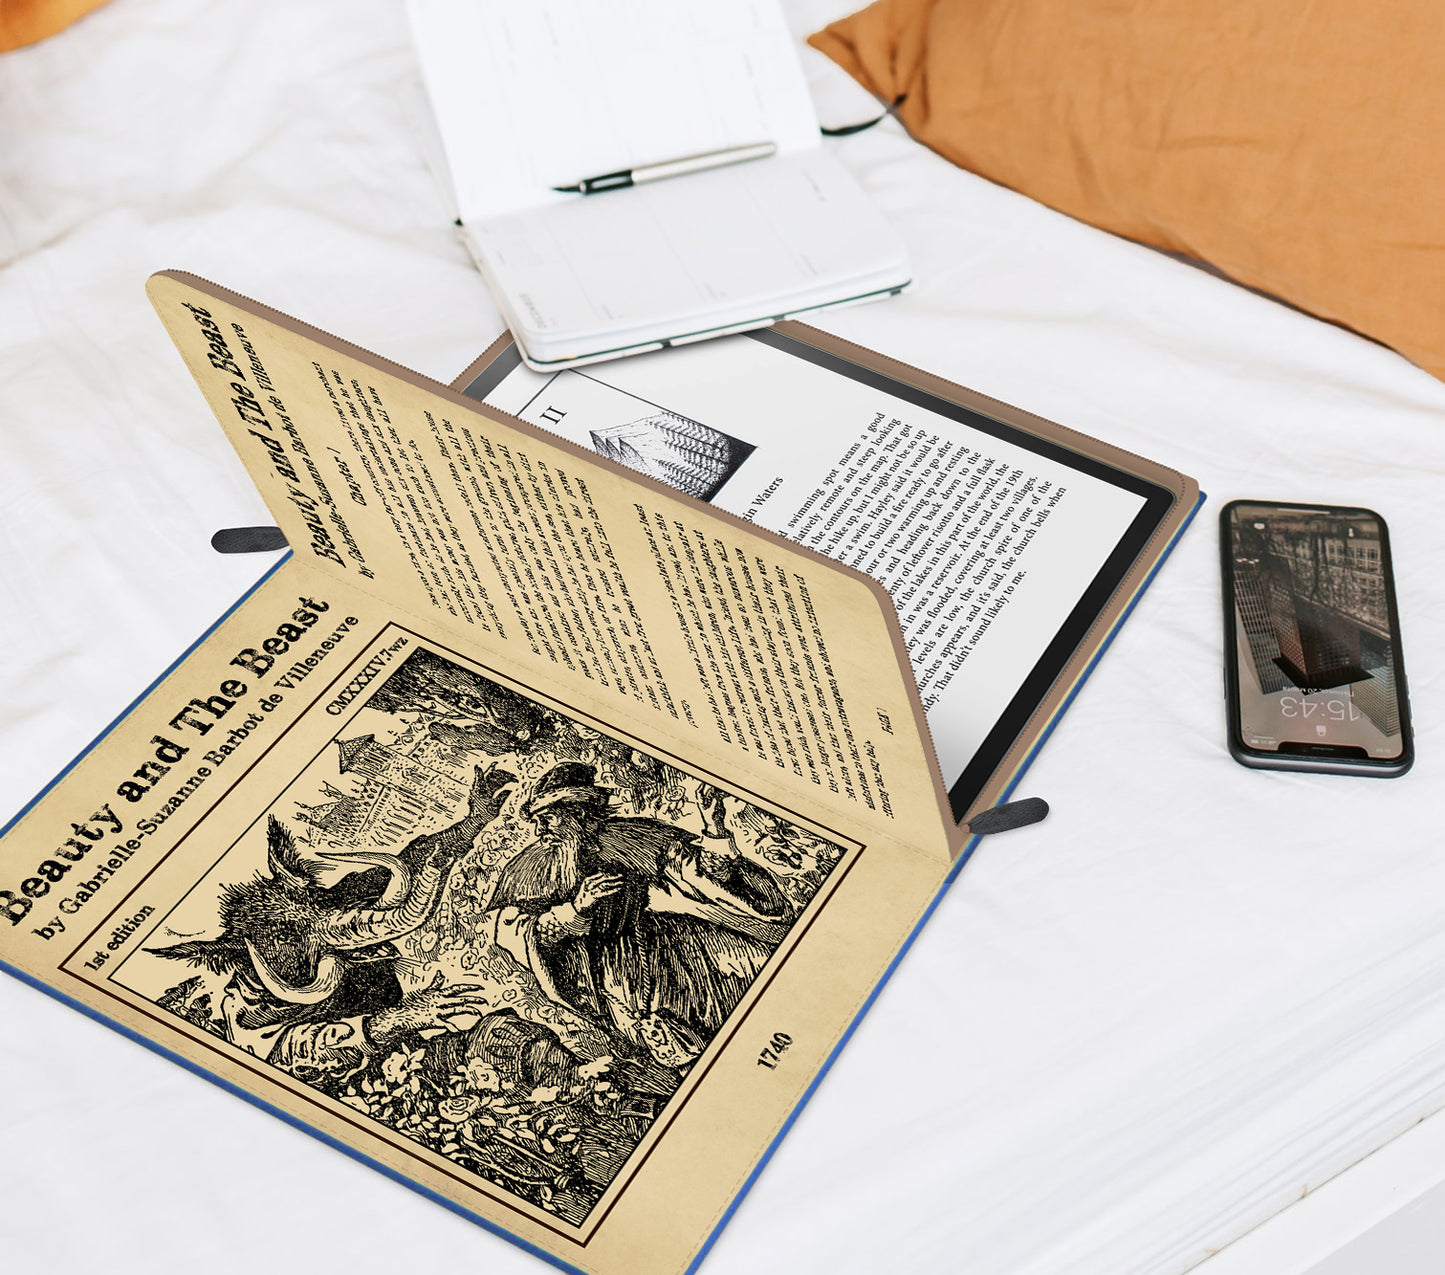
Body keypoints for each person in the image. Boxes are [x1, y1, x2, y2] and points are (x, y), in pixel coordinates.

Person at [484, 762, 791, 1071]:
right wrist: (577, 908)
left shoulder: (633, 836)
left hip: (670, 945)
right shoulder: (527, 867)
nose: (539, 831)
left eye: (548, 819)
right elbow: (519, 933)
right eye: (537, 821)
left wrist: (715, 830)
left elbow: (698, 875)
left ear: (578, 813)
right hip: (609, 975)